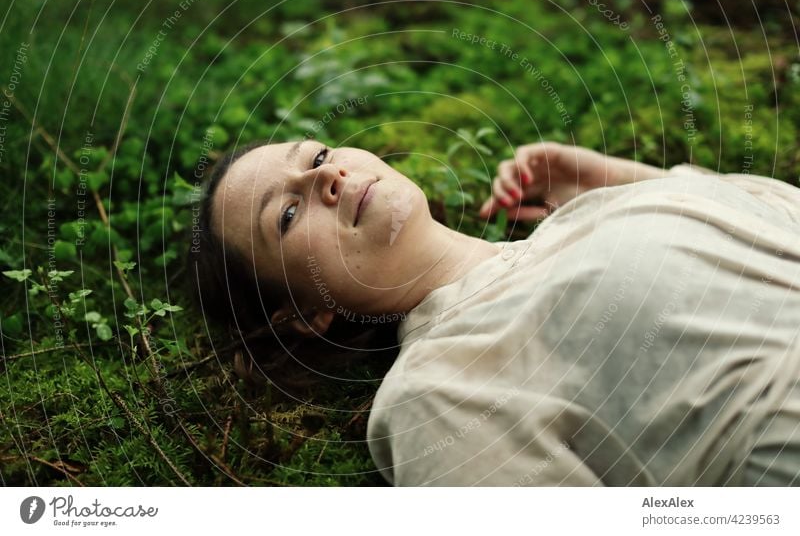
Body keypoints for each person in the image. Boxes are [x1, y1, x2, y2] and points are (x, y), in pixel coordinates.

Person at [189, 139, 800, 486]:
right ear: (306, 315)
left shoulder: (589, 216)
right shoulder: (436, 390)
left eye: (316, 154)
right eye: (287, 215)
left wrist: (625, 183)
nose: (326, 176)